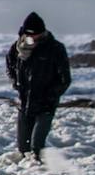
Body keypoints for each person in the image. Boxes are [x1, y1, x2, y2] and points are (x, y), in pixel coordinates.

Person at [5, 11, 71, 162]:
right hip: (25, 103)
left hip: (46, 104)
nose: (33, 38)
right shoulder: (17, 48)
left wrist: (51, 95)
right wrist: (16, 83)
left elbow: (65, 79)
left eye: (36, 34)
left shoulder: (55, 48)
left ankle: (41, 174)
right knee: (23, 148)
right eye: (29, 35)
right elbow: (10, 67)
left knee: (37, 146)